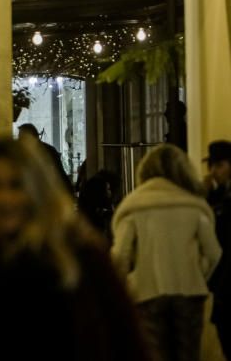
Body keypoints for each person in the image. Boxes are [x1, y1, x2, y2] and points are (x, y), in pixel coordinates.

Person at [0, 139, 149, 361]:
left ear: (36, 190)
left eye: (16, 185)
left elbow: (125, 335)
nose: (5, 199)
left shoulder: (77, 252)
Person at [113, 144, 222, 361]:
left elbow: (120, 256)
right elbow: (213, 252)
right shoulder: (194, 206)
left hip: (146, 293)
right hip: (189, 293)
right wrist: (198, 273)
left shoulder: (134, 207)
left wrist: (126, 284)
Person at [206, 139, 231, 354]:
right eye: (211, 165)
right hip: (222, 280)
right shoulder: (216, 196)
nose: (214, 171)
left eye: (219, 165)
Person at [18, 123, 72, 192]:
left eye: (21, 138)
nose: (19, 141)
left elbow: (59, 174)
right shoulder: (24, 153)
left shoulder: (47, 152)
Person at [77, 170, 115, 241]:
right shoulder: (97, 221)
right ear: (100, 194)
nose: (110, 193)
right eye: (108, 189)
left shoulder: (90, 215)